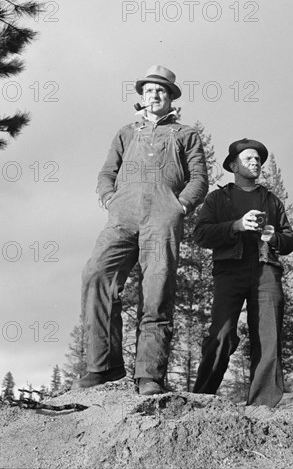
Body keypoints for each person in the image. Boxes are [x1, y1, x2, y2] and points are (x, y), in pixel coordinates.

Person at [75, 65, 208, 395]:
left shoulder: (185, 133)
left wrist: (180, 207)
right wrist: (110, 199)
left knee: (157, 288)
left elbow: (199, 178)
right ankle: (103, 366)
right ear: (141, 96)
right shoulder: (126, 132)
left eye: (162, 90)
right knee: (96, 273)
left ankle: (149, 375)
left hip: (162, 218)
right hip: (122, 217)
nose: (155, 94)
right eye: (150, 90)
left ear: (171, 97)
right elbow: (107, 172)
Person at [192, 138, 293, 407]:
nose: (255, 162)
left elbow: (289, 241)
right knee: (222, 333)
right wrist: (236, 225)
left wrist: (274, 238)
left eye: (258, 159)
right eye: (248, 158)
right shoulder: (217, 198)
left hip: (267, 273)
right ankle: (201, 399)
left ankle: (263, 406)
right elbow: (201, 234)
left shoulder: (272, 201)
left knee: (268, 336)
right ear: (234, 165)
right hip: (229, 272)